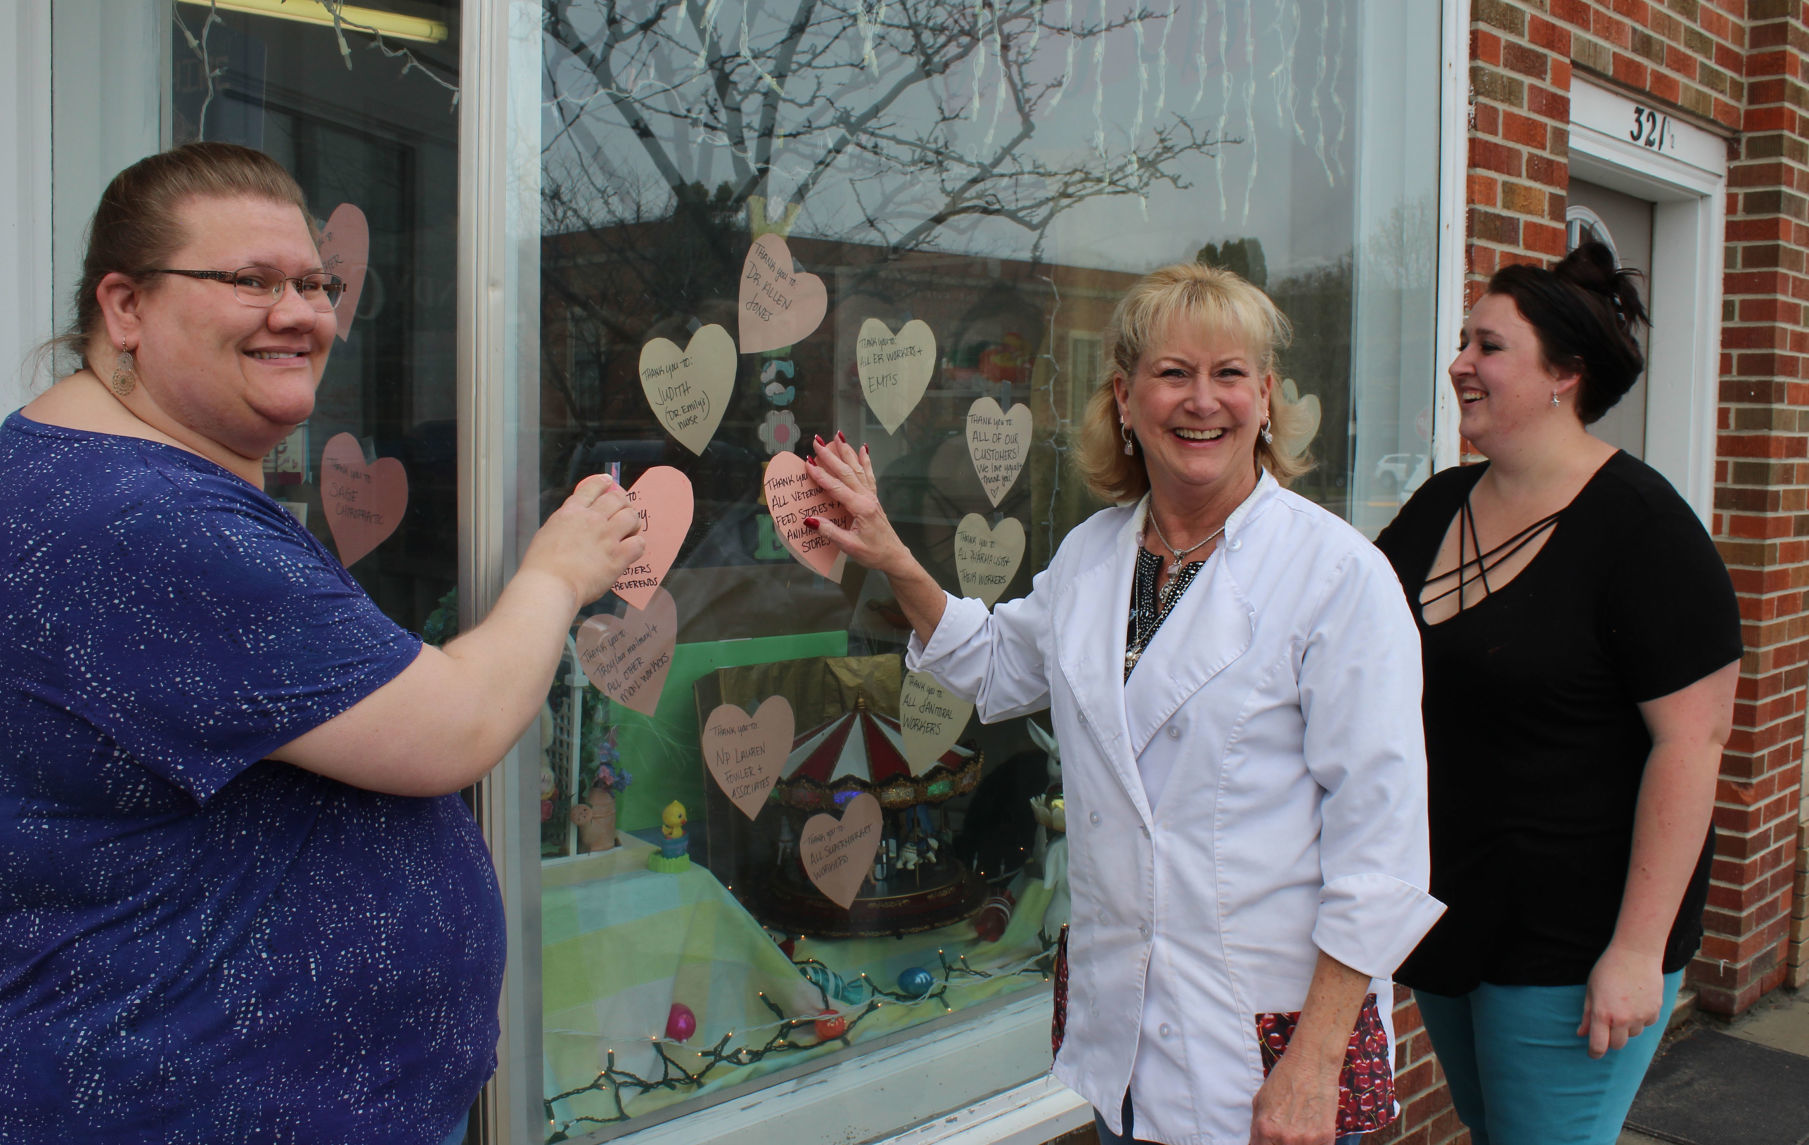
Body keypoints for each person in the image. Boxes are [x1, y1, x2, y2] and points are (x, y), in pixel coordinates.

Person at [0, 143, 645, 1143]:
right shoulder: (144, 518)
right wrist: (558, 572)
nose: (300, 312)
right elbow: (453, 725)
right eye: (249, 281)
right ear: (123, 307)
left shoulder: (80, 469)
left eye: (314, 282)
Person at [802, 263, 1444, 1145]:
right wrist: (889, 555)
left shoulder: (1334, 574)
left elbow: (1381, 849)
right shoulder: (1092, 557)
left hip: (1266, 1052)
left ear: (1263, 398)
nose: (1201, 401)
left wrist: (1315, 1062)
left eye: (1228, 375)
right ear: (1125, 395)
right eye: (1173, 373)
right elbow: (990, 665)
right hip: (1126, 1040)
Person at [1373, 242, 1741, 1145]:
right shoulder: (1436, 507)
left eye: (1487, 345)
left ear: (1563, 375)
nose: (1459, 361)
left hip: (1576, 943)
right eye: (1462, 341)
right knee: (1492, 1126)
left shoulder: (1643, 530)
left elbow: (1691, 744)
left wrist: (1635, 949)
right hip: (1454, 916)